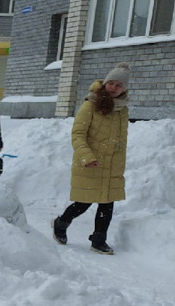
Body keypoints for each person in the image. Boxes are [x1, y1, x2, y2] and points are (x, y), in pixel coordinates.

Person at [52, 62, 131, 255]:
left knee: (107, 204)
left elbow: (120, 140)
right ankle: (60, 223)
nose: (113, 87)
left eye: (118, 85)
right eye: (111, 83)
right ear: (105, 83)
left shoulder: (122, 109)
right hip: (90, 163)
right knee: (83, 202)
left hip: (111, 165)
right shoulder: (91, 104)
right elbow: (78, 134)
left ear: (124, 89)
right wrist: (87, 157)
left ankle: (98, 240)